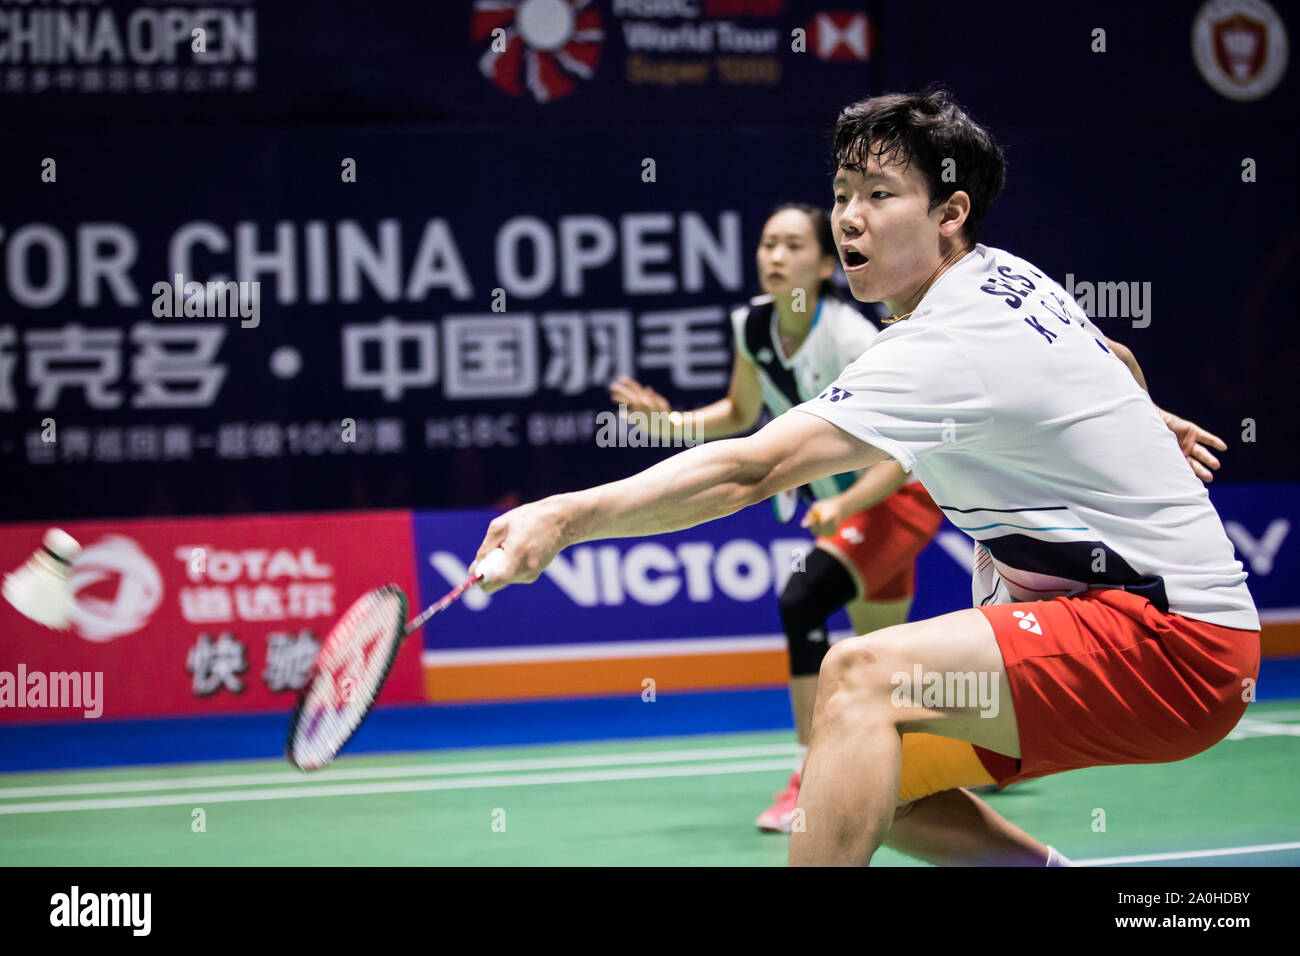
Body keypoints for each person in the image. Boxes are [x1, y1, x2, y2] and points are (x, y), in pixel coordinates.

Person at [471, 88, 1255, 866]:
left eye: (880, 196)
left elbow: (755, 468)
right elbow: (1111, 356)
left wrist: (565, 517)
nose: (849, 216)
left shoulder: (945, 340)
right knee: (859, 780)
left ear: (949, 212)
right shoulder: (1005, 276)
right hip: (1147, 630)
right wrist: (1141, 414)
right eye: (843, 194)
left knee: (857, 675)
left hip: (1168, 640)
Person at [609, 202, 943, 833]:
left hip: (896, 494)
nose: (775, 256)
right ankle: (937, 762)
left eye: (792, 246)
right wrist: (670, 424)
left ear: (824, 265)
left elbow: (904, 450)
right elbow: (739, 412)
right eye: (767, 244)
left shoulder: (851, 337)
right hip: (843, 504)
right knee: (880, 656)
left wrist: (843, 503)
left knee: (801, 602)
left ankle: (810, 773)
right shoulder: (754, 327)